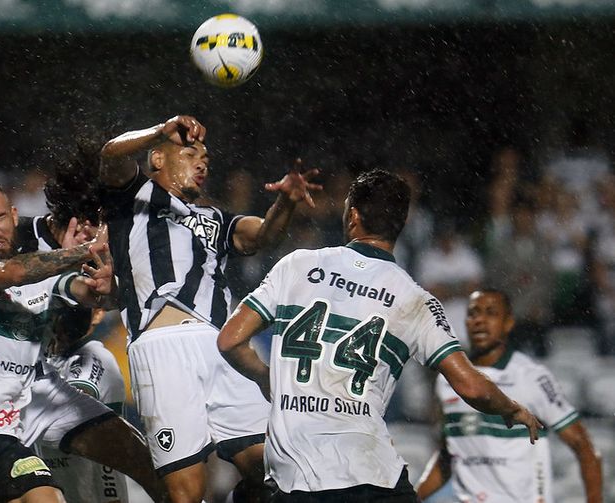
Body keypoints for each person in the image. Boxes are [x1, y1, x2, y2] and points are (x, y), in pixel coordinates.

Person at [216, 169, 542, 502]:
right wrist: (510, 408)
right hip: (370, 475)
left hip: (297, 476)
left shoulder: (297, 265)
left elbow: (229, 340)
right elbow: (471, 386)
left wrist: (266, 378)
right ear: (400, 224)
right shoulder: (415, 298)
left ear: (353, 215)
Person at [0, 155, 163, 502]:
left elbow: (92, 295)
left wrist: (108, 285)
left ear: (14, 215)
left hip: (24, 402)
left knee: (143, 458)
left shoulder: (49, 265)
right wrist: (82, 251)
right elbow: (13, 273)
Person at [98, 115, 322, 503]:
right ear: (157, 160)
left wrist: (285, 202)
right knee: (186, 493)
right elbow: (110, 156)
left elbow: (264, 236)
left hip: (220, 347)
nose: (202, 163)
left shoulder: (216, 218)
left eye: (206, 158)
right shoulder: (130, 200)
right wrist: (159, 130)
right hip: (161, 347)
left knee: (275, 471)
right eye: (189, 153)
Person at [416, 288, 603, 503]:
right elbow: (449, 455)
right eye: (473, 313)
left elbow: (584, 446)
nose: (480, 320)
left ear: (508, 323)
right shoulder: (448, 380)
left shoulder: (532, 377)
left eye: (491, 313)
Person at [37, 306, 130, 503]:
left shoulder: (94, 355)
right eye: (57, 311)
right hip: (64, 480)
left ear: (97, 314)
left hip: (98, 487)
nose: (62, 320)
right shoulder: (55, 360)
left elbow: (71, 402)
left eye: (73, 310)